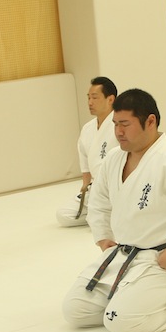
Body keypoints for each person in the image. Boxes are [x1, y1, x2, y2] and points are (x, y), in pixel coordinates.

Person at [62, 89, 166, 332]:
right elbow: (99, 200)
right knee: (75, 310)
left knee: (119, 323)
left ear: (150, 121)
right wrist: (103, 237)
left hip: (160, 261)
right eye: (115, 124)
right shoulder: (114, 159)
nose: (118, 132)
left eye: (125, 124)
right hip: (121, 255)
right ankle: (132, 300)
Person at [57, 76, 118, 227]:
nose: (90, 102)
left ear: (110, 99)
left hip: (115, 187)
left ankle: (106, 213)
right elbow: (86, 168)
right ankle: (100, 214)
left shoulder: (120, 125)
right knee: (63, 214)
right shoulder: (87, 129)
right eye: (88, 98)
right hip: (96, 188)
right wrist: (85, 188)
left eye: (95, 98)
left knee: (99, 224)